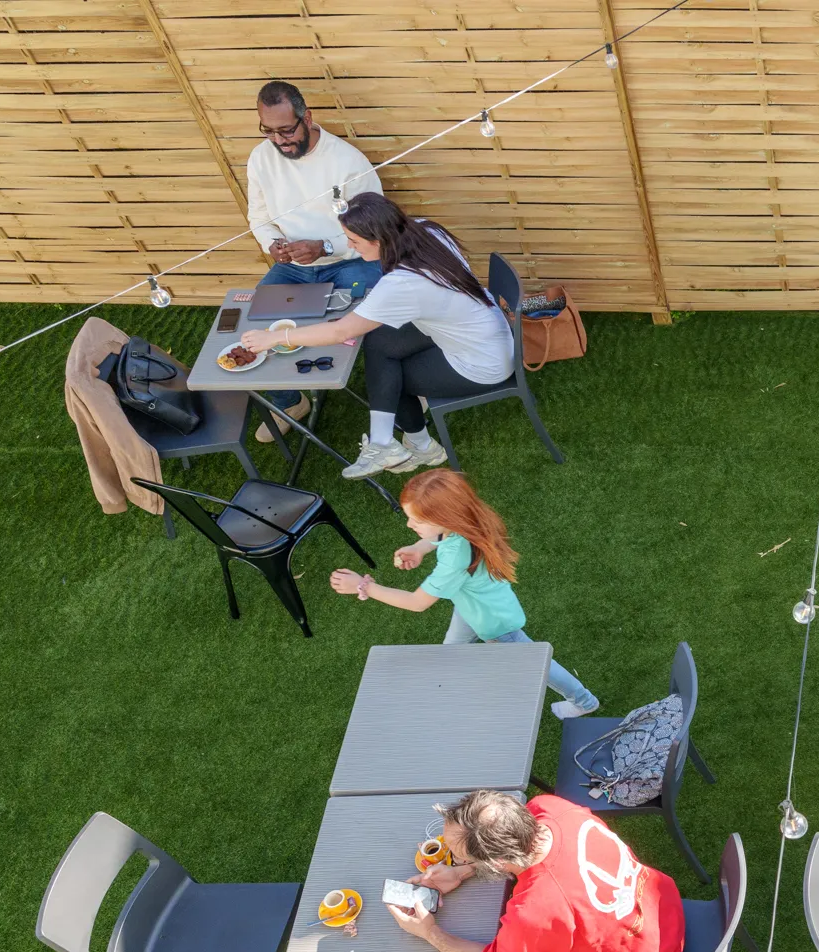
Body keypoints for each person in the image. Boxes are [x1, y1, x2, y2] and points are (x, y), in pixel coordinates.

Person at [238, 191, 514, 479]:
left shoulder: (402, 283)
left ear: (378, 240)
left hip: (482, 362)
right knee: (379, 342)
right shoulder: (426, 229)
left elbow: (340, 331)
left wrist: (275, 339)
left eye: (354, 241)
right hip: (484, 328)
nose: (349, 246)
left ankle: (420, 447)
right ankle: (388, 443)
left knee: (392, 380)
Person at [389, 790, 684, 952]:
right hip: (661, 914)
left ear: (495, 863)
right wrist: (461, 873)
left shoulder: (535, 911)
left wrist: (429, 932)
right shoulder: (551, 808)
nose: (454, 860)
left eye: (460, 857)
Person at [328, 468, 599, 720]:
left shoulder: (455, 559)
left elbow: (417, 603)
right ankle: (453, 687)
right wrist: (420, 548)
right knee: (452, 652)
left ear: (444, 518)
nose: (410, 525)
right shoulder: (465, 521)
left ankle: (584, 701)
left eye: (417, 521)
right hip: (471, 606)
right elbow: (441, 537)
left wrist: (365, 587)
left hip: (493, 622)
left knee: (536, 663)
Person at [244, 80, 383, 440]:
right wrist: (272, 243)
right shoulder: (261, 158)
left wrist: (324, 247)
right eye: (270, 131)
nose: (280, 141)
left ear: (307, 117)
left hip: (350, 259)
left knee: (377, 314)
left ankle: (403, 390)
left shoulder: (347, 161)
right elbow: (258, 216)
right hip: (291, 264)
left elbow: (375, 231)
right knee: (255, 319)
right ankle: (290, 402)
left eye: (287, 130)